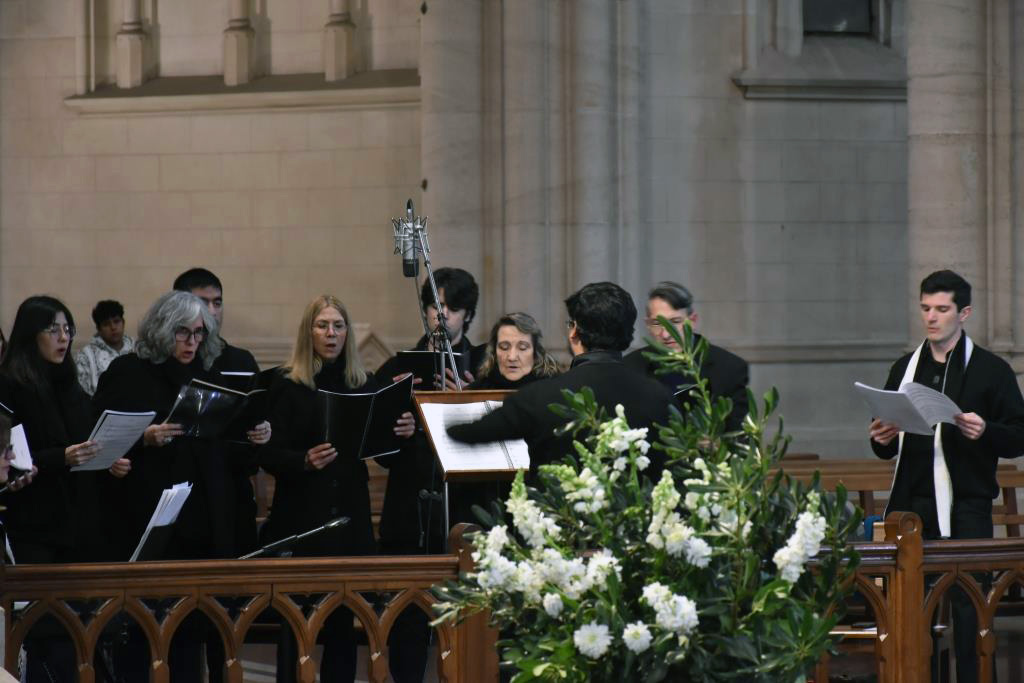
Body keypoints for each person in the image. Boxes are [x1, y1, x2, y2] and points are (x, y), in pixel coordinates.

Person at [869, 269, 1024, 683]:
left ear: (964, 312)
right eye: (926, 309)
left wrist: (986, 431)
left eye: (941, 309)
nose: (932, 318)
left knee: (967, 607)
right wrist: (881, 435)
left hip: (966, 506)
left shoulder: (990, 370)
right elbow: (883, 443)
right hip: (910, 506)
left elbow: (1017, 437)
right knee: (908, 608)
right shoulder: (906, 367)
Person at [259, 295, 414, 683]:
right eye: (323, 325)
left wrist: (404, 433)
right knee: (297, 624)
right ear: (308, 331)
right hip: (300, 510)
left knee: (344, 625)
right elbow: (266, 454)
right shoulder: (285, 384)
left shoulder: (364, 383)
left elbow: (388, 455)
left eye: (338, 326)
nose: (331, 334)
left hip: (349, 514)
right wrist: (303, 461)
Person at [447, 281, 676, 478]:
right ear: (629, 334)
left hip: (555, 524)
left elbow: (467, 433)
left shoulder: (540, 397)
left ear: (574, 332)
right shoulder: (659, 397)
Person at [0, 296, 110, 682]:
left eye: (68, 329)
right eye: (53, 330)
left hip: (79, 519)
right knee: (45, 632)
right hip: (36, 522)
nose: (63, 338)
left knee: (81, 626)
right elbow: (12, 460)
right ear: (32, 335)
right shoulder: (11, 385)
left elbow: (89, 434)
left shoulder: (69, 384)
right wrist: (61, 457)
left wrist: (108, 455)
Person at [172, 267, 267, 557]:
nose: (212, 311)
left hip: (233, 484)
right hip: (185, 490)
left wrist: (263, 430)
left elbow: (256, 415)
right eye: (203, 302)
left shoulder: (240, 359)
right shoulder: (170, 361)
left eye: (218, 302)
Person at [624, 282, 749, 433]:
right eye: (657, 323)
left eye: (675, 322)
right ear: (648, 325)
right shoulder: (630, 367)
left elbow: (736, 433)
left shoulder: (729, 368)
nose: (666, 334)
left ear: (693, 320)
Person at [469, 312, 563, 390]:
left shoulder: (554, 388)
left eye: (522, 348)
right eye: (504, 347)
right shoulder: (481, 387)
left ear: (535, 352)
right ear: (494, 352)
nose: (512, 357)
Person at [75, 299, 136, 395]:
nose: (113, 327)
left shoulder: (137, 349)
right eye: (106, 324)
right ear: (99, 329)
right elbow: (83, 394)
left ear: (123, 323)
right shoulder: (86, 356)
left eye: (116, 321)